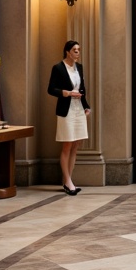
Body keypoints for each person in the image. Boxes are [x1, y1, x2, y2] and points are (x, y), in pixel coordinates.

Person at [47, 40, 91, 195]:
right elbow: (51, 89)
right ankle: (68, 181)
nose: (77, 52)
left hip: (79, 109)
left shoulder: (79, 67)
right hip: (66, 110)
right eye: (75, 50)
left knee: (76, 145)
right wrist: (66, 93)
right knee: (67, 145)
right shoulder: (58, 68)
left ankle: (68, 180)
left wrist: (86, 106)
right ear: (67, 51)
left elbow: (82, 89)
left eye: (79, 49)